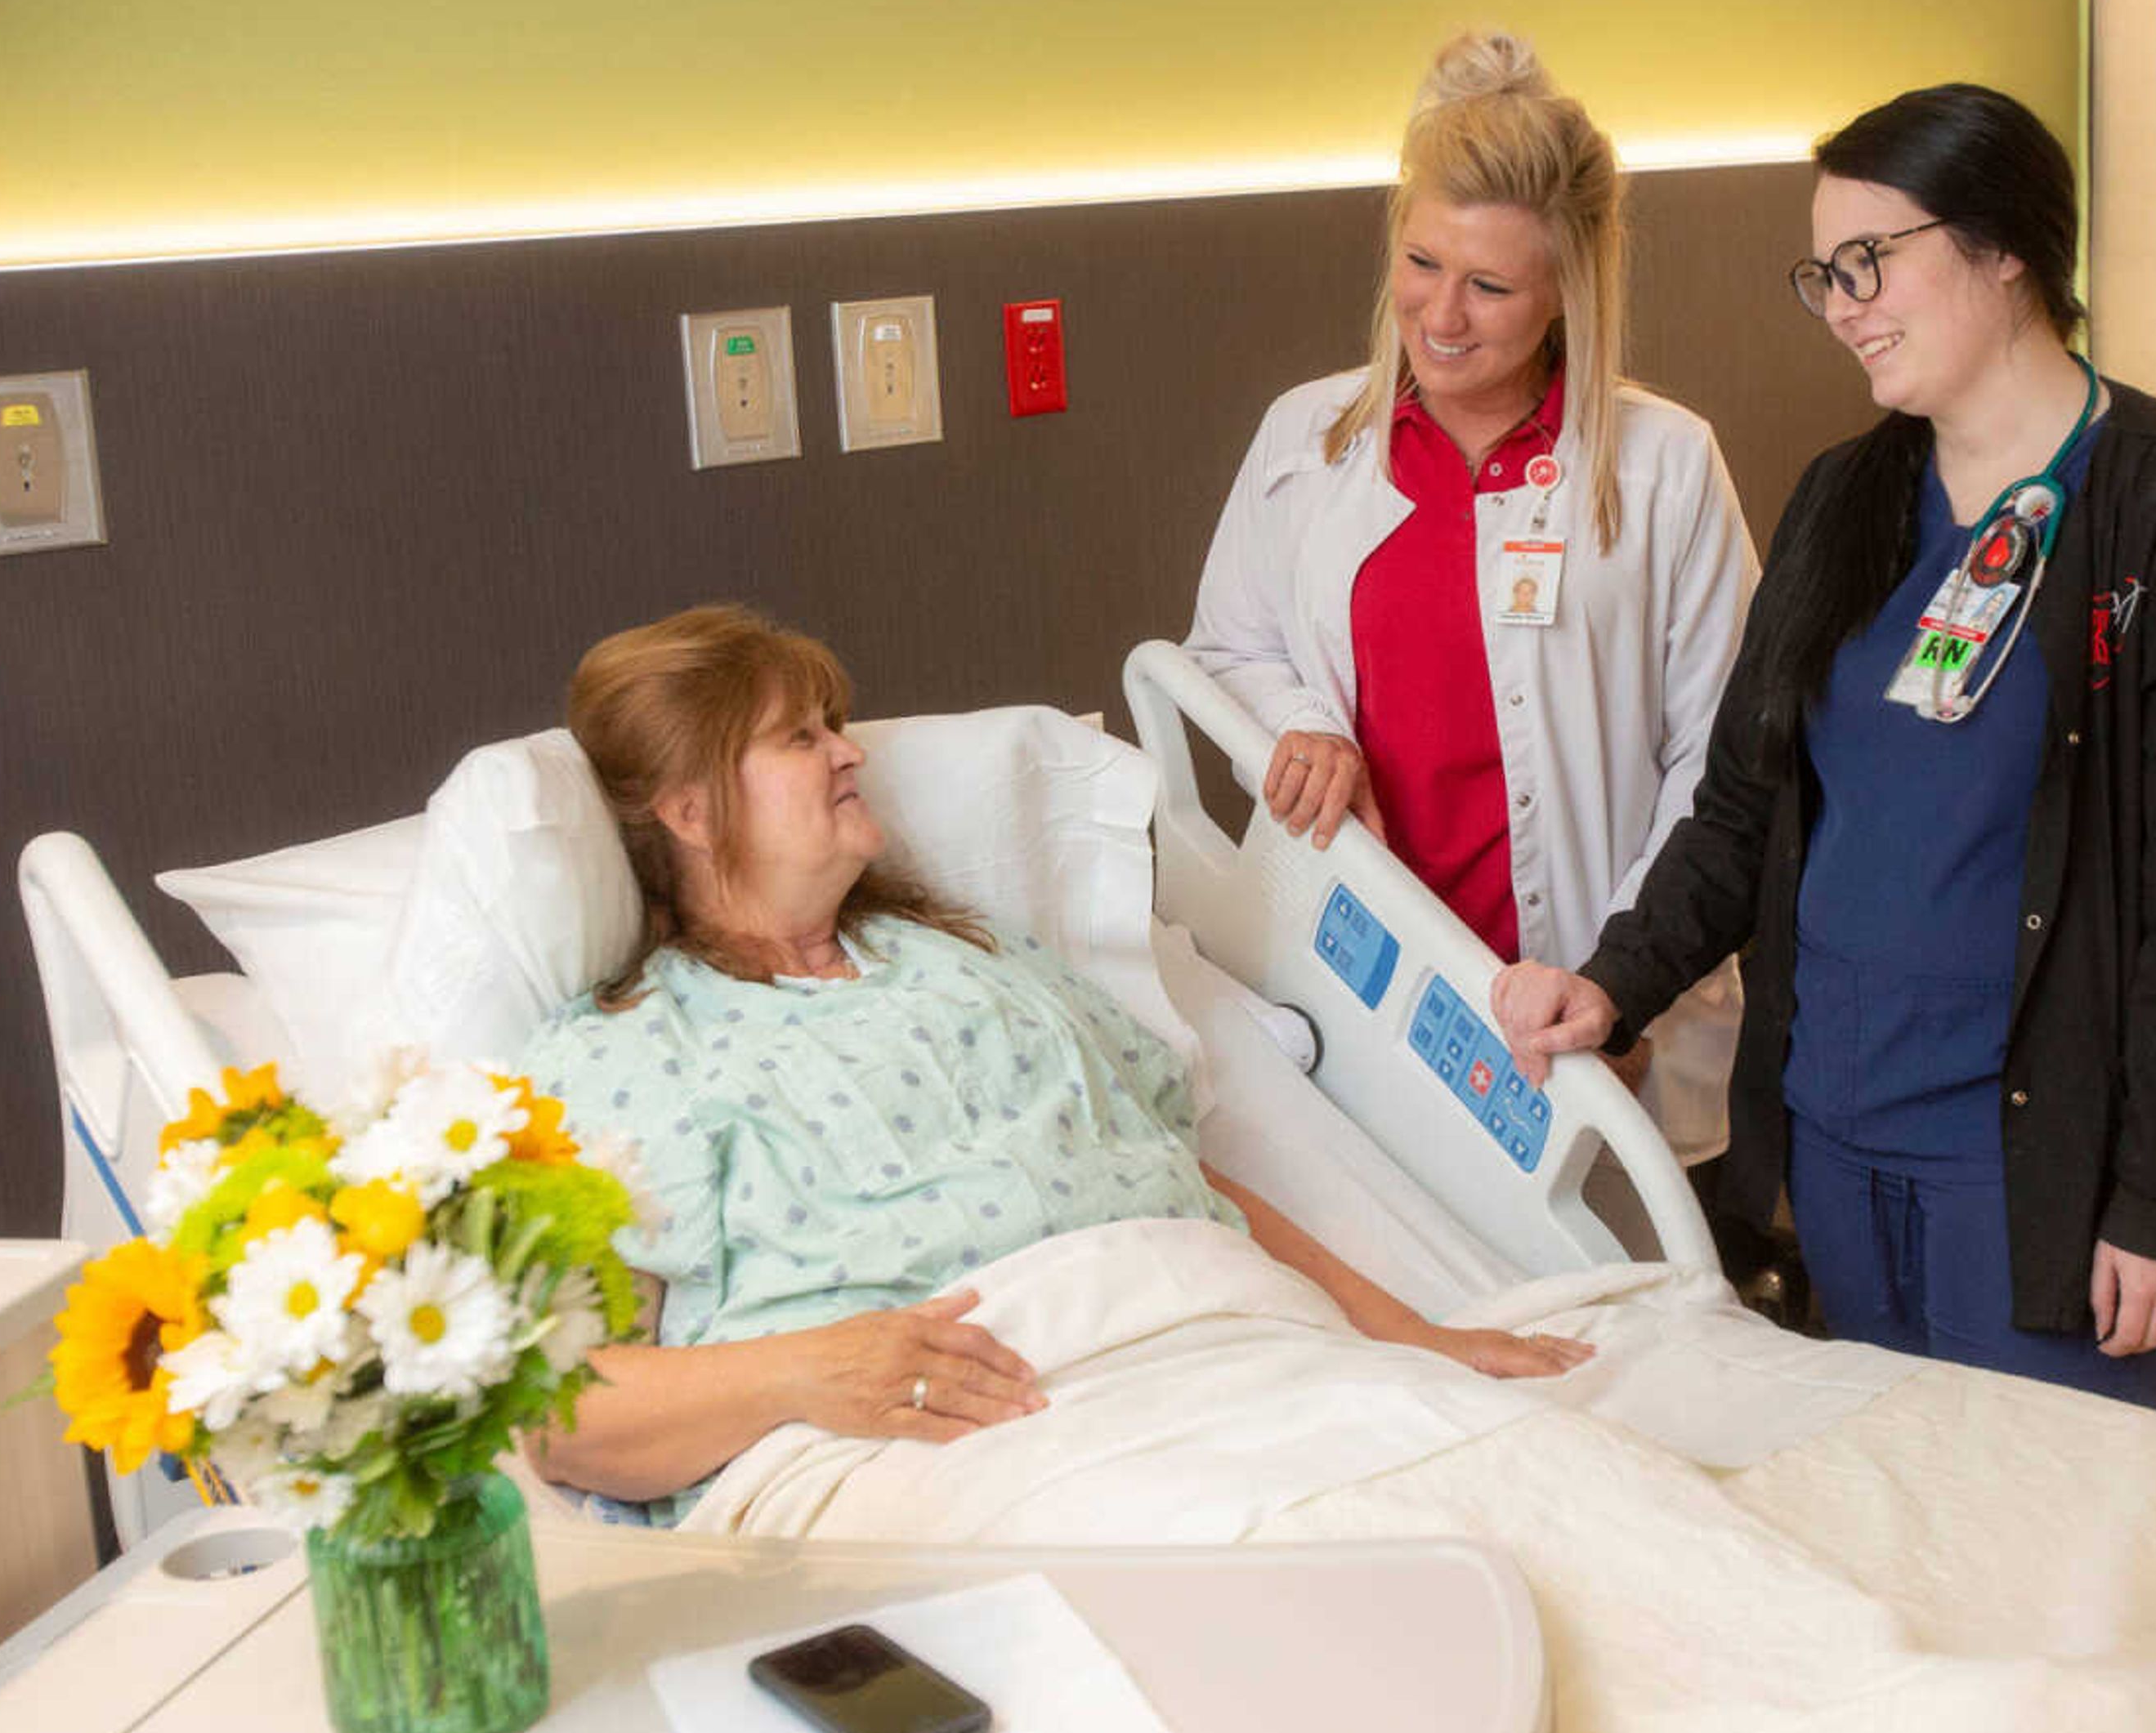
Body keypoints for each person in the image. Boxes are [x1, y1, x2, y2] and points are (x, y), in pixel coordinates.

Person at [1492, 84, 2156, 1409]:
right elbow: (1746, 800)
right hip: (1841, 1135)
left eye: (1873, 261)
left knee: (2048, 1569)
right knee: (1898, 1546)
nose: (1845, 303)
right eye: (1825, 273)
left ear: (2005, 251)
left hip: (2039, 1168)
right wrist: (1614, 980)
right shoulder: (1847, 497)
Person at [521, 605, 1589, 1517]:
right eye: (800, 738)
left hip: (1223, 1351)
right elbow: (564, 1412)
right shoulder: (629, 1056)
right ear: (692, 811)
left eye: (836, 728)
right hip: (955, 1434)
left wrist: (1414, 1336)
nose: (850, 752)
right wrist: (807, 1369)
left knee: (1530, 1501)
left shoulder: (978, 960)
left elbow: (1183, 1179)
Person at [1184, 29, 1755, 1166]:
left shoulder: (1662, 465)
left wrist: (1623, 985)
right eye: (1421, 265)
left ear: (1567, 294)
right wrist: (1307, 724)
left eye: (1491, 286)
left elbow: (1722, 759)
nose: (1442, 317)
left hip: (1580, 1004)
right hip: (1363, 983)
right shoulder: (1309, 441)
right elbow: (1226, 645)